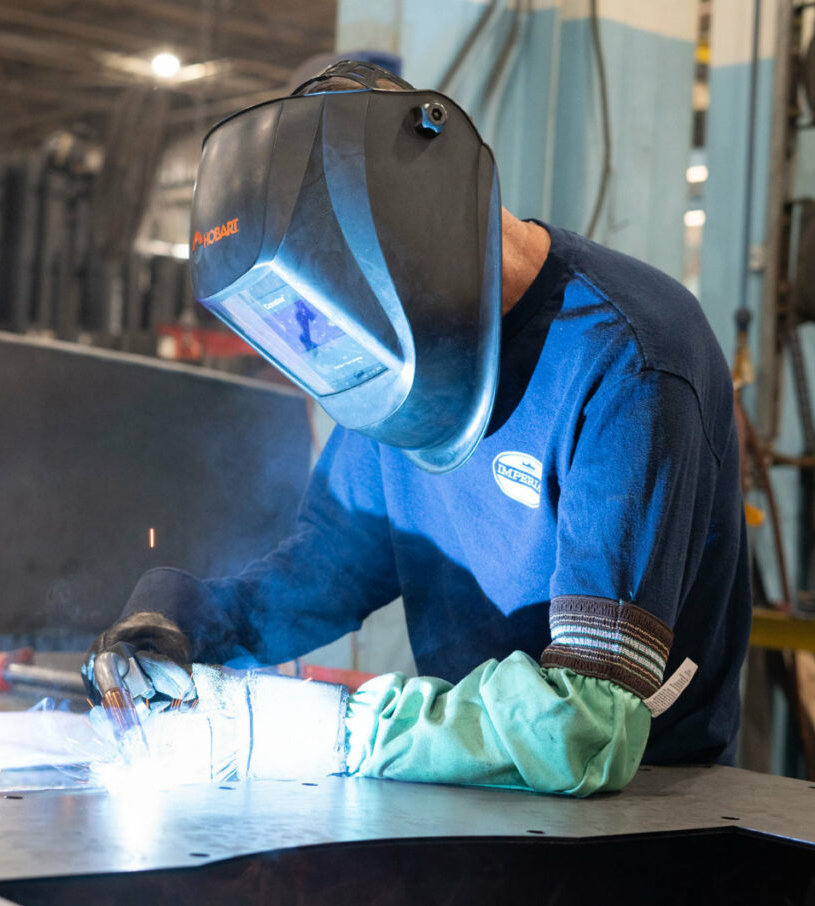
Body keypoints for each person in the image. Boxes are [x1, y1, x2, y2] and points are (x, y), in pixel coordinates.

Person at [84, 61, 751, 796]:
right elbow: (325, 569)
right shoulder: (397, 359)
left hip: (644, 814)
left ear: (410, 238)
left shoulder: (629, 361)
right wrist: (189, 624)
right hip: (474, 792)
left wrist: (320, 729)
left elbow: (584, 725)